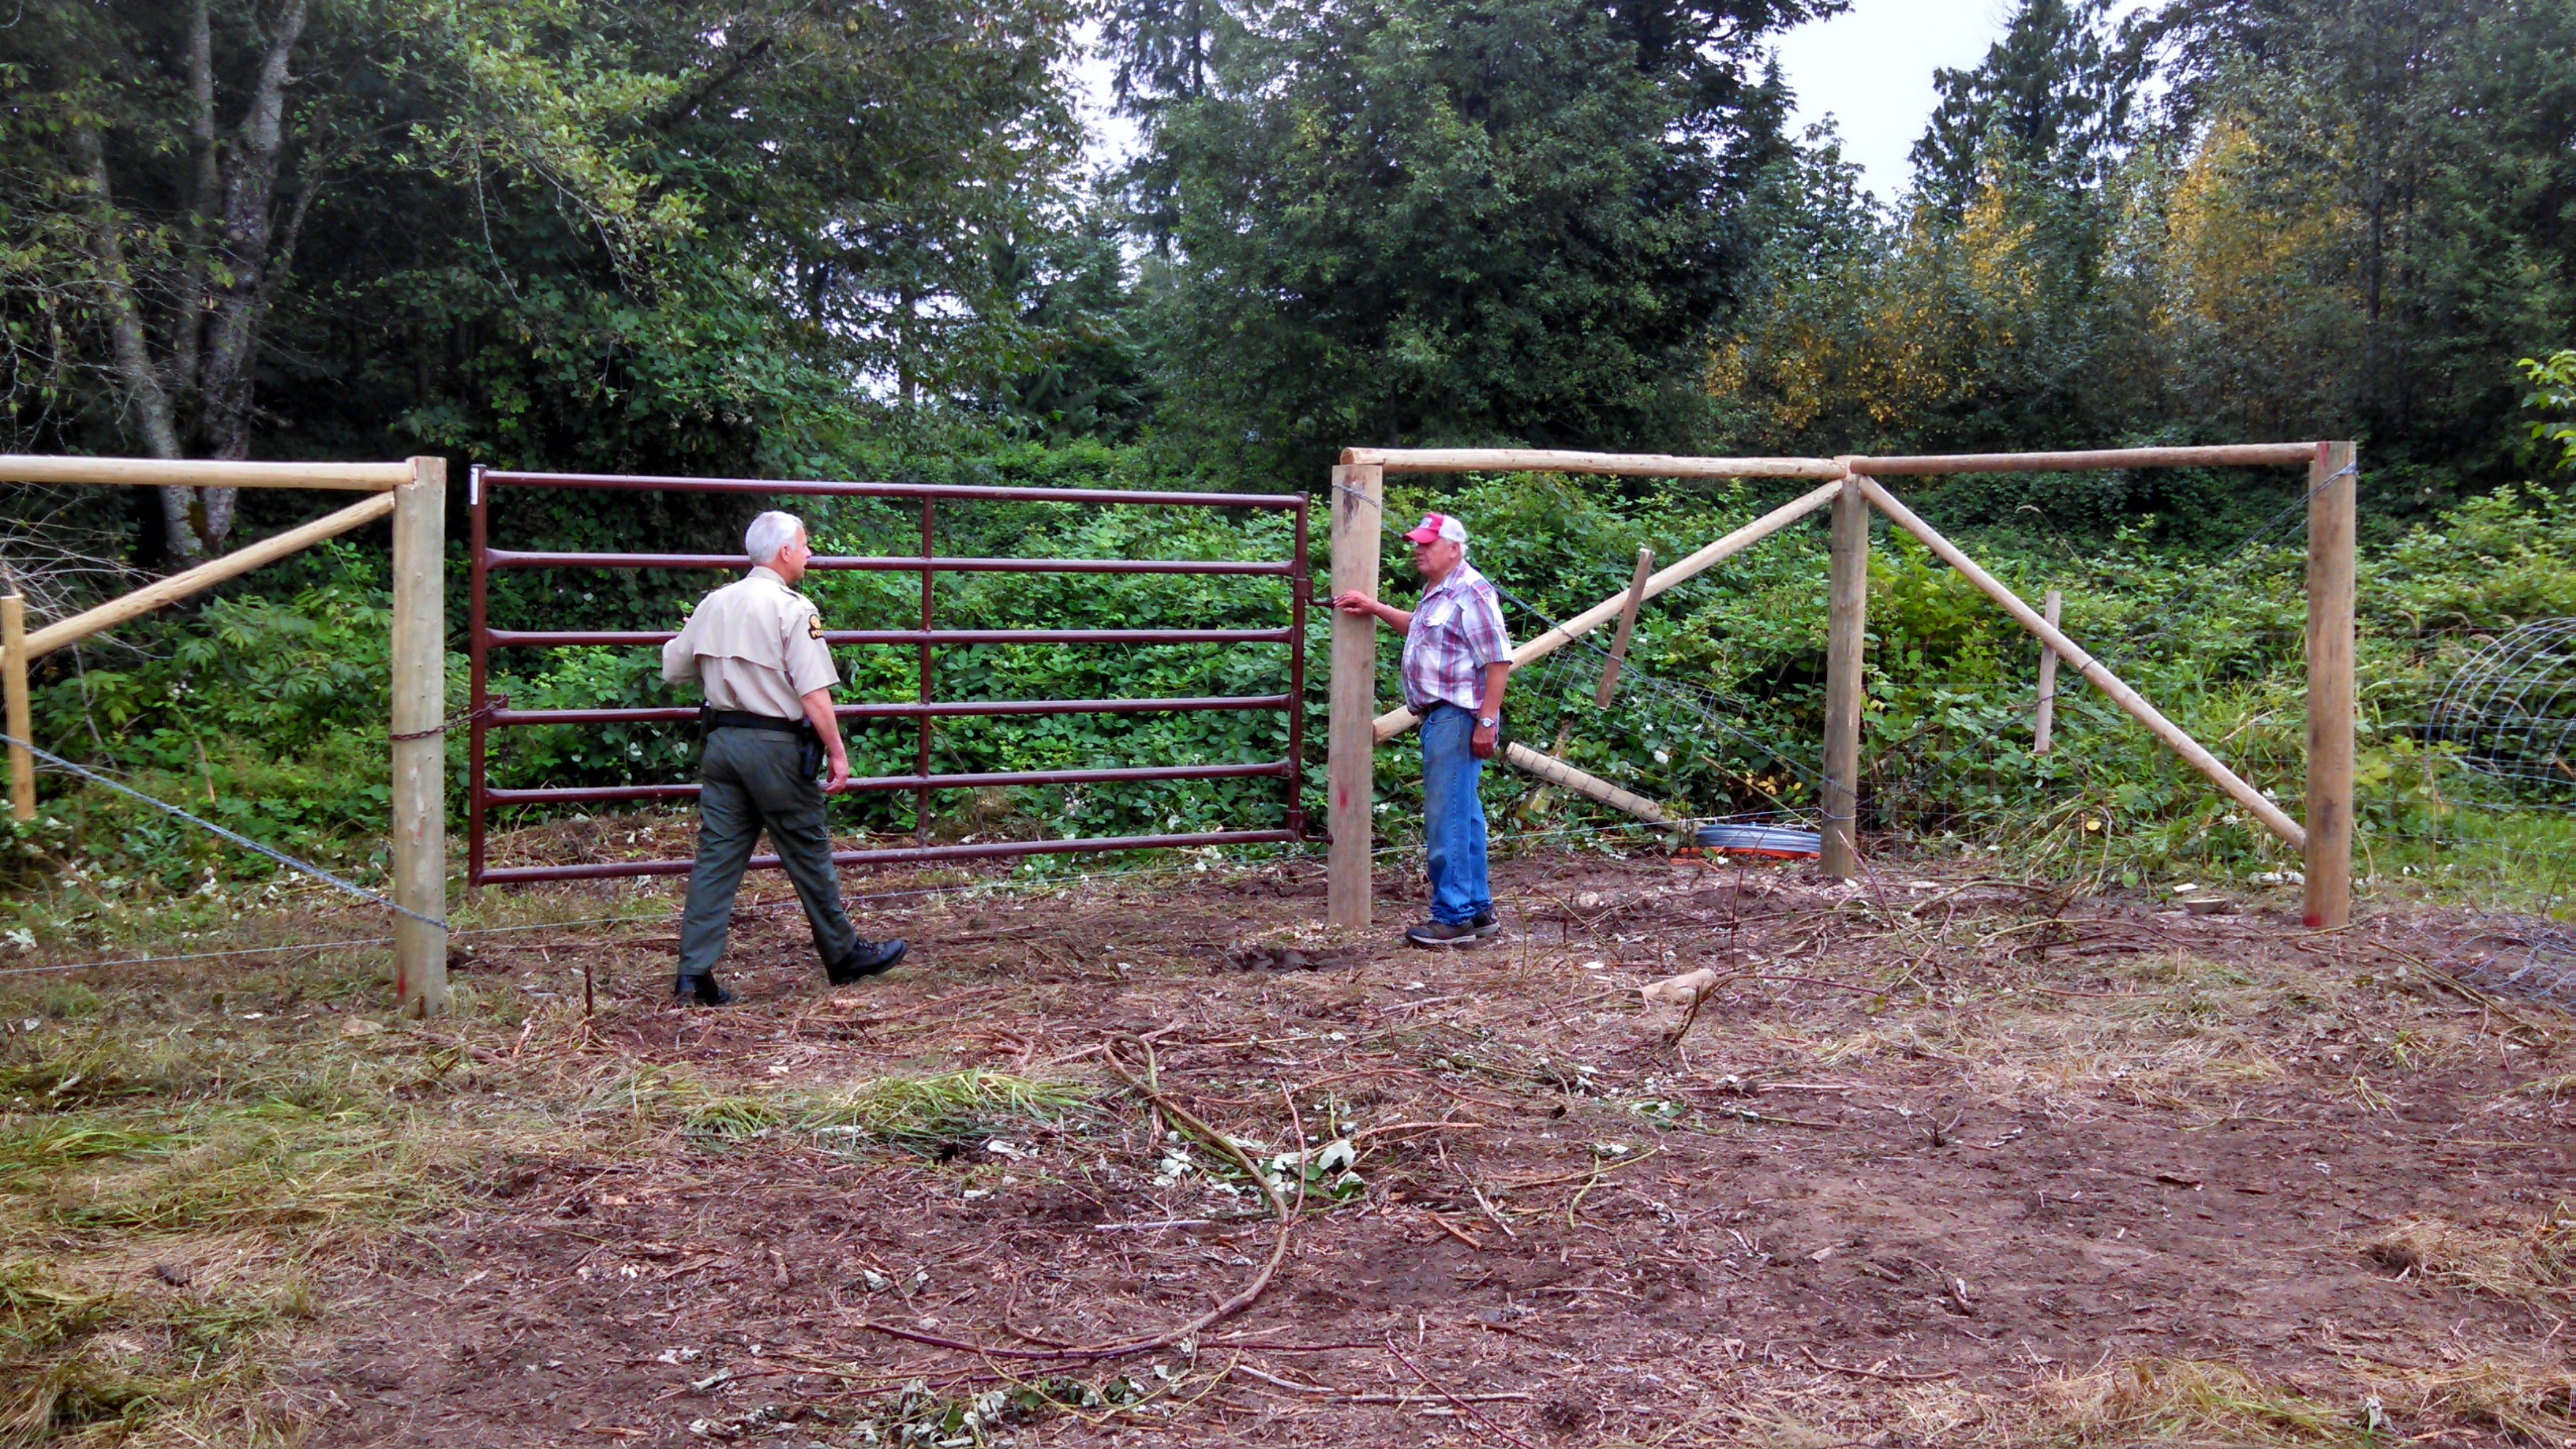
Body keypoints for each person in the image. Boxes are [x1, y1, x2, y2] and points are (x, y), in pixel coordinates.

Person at [661, 511, 906, 1005]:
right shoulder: (791, 608)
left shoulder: (715, 602)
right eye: (806, 545)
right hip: (774, 746)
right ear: (785, 552)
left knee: (716, 858)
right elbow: (813, 691)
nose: (810, 553)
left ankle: (694, 974)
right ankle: (843, 955)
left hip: (723, 744)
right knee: (808, 849)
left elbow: (674, 669)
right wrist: (838, 753)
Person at [1334, 511, 1512, 947]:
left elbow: (1499, 661)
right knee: (1463, 815)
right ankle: (1477, 910)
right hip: (1440, 716)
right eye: (1417, 543)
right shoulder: (1438, 592)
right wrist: (1375, 608)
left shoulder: (1473, 591)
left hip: (1456, 715)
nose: (1418, 550)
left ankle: (1451, 917)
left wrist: (1487, 720)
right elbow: (1421, 629)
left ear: (1454, 548)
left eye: (1427, 544)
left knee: (1445, 815)